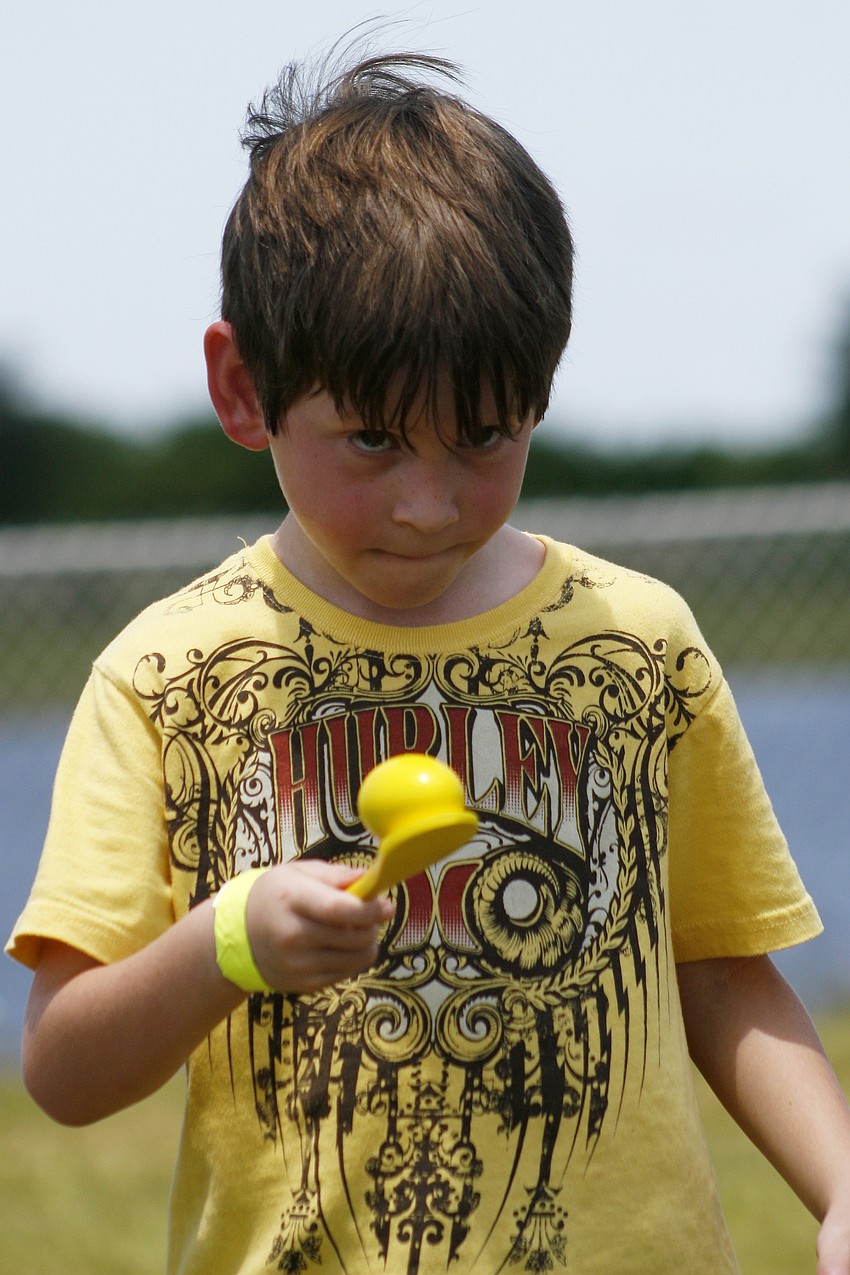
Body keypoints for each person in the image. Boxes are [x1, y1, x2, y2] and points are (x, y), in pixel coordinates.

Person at [7, 43, 850, 1275]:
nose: (429, 503)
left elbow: (722, 976)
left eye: (486, 434)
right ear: (242, 388)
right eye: (372, 440)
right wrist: (226, 942)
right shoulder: (164, 677)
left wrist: (839, 1189)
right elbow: (63, 1070)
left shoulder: (637, 644)